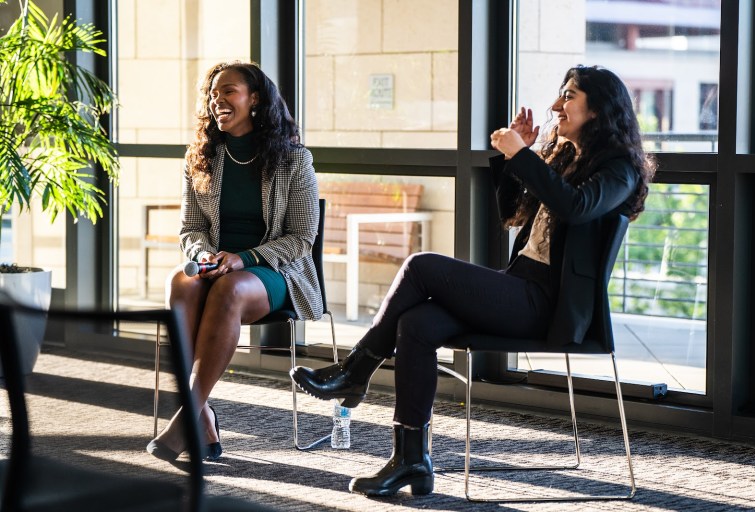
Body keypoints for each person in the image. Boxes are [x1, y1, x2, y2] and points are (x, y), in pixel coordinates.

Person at [290, 65, 656, 496]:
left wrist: (523, 154)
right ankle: (411, 460)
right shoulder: (570, 158)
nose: (557, 105)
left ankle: (356, 370)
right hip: (520, 286)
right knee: (418, 324)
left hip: (548, 307)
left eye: (569, 96)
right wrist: (511, 160)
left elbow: (576, 206)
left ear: (599, 109)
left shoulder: (618, 169)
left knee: (422, 265)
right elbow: (511, 213)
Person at [147, 61, 321, 462]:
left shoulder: (295, 161)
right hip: (215, 266)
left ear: (254, 99)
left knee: (228, 287)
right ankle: (201, 413)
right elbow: (190, 229)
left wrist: (244, 259)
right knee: (182, 281)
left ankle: (187, 415)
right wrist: (202, 253)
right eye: (212, 94)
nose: (217, 100)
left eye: (229, 91)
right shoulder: (200, 158)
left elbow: (301, 240)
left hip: (275, 272)